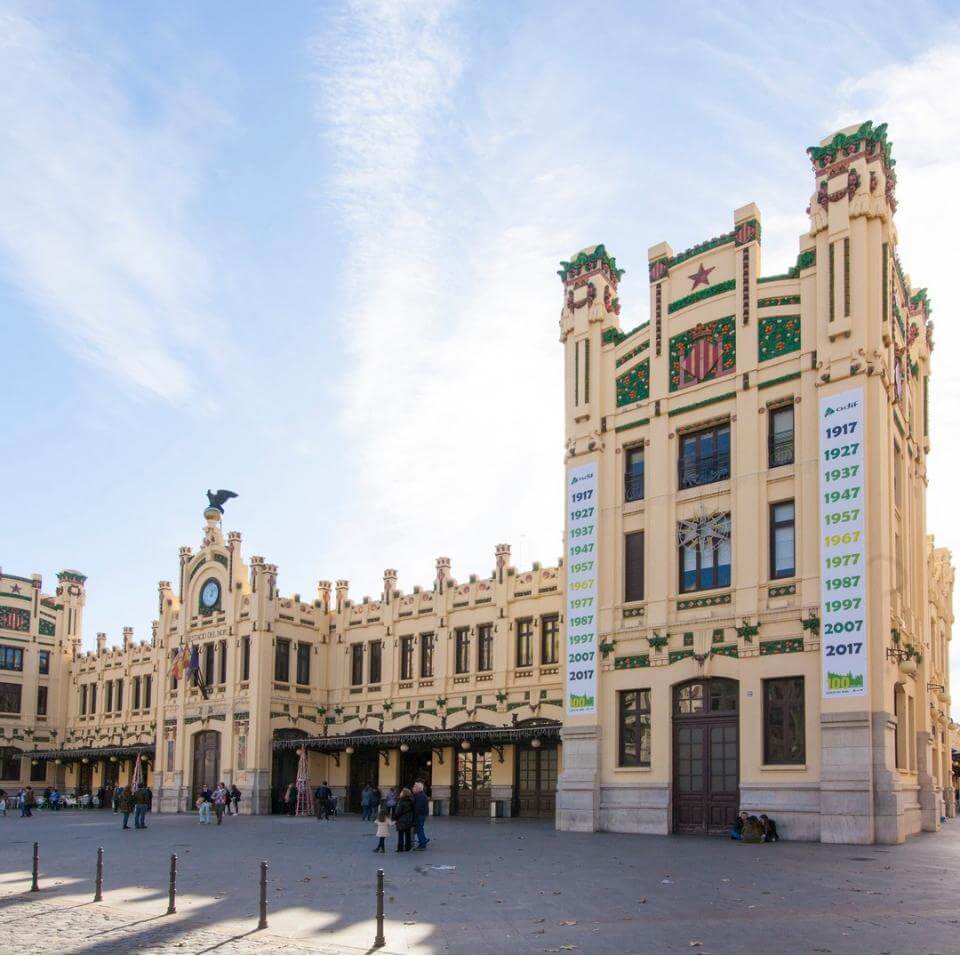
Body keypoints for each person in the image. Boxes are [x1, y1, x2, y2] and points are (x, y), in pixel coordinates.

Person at [394, 787, 414, 852]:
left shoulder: (401, 802)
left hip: (402, 819)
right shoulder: (411, 801)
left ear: (404, 794)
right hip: (409, 819)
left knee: (401, 834)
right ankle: (408, 847)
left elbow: (398, 812)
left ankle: (400, 848)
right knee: (408, 834)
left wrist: (395, 818)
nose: (400, 793)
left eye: (401, 792)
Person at [412, 781, 430, 850]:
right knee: (420, 828)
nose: (413, 788)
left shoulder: (420, 796)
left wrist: (414, 815)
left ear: (418, 788)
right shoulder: (421, 795)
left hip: (419, 815)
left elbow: (418, 807)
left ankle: (422, 844)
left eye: (414, 787)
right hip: (422, 814)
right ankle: (423, 840)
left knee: (419, 829)